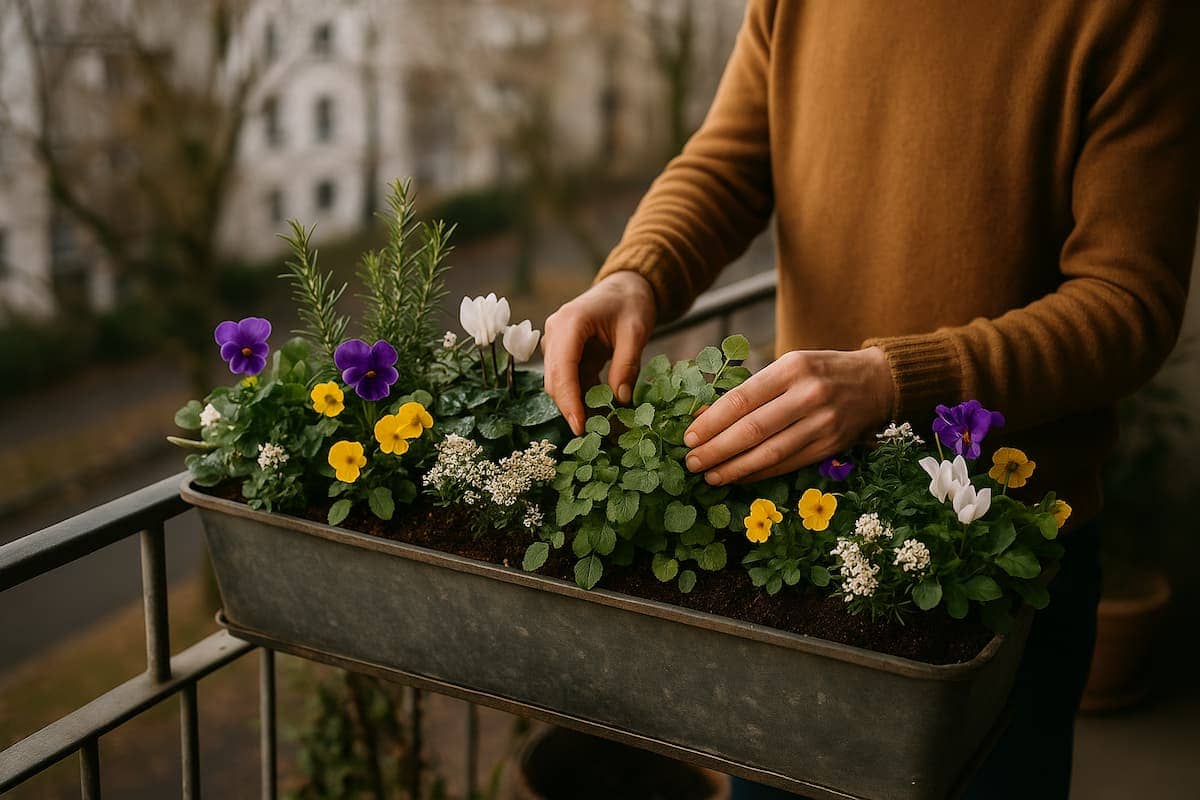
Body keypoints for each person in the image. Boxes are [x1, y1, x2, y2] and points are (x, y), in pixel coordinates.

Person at [540, 1, 1199, 797]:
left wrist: (894, 382)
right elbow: (729, 162)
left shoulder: (1135, 16)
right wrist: (636, 274)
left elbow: (1129, 303)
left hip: (995, 555)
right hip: (802, 525)